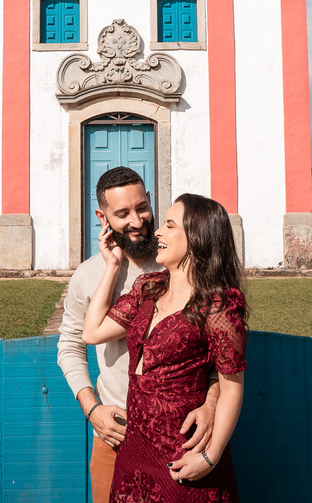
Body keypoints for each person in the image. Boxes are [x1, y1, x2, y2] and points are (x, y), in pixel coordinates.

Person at [57, 168, 218, 503]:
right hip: (115, 432)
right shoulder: (88, 275)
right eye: (122, 214)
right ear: (102, 217)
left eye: (142, 208)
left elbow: (221, 354)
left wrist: (210, 405)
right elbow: (72, 344)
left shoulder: (183, 266)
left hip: (182, 435)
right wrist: (92, 409)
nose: (137, 221)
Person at [83, 193, 247, 501]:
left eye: (170, 225)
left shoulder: (218, 305)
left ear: (197, 236)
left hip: (183, 452)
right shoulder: (150, 288)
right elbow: (92, 332)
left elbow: (232, 387)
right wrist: (112, 264)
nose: (158, 231)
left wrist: (210, 456)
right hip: (134, 451)